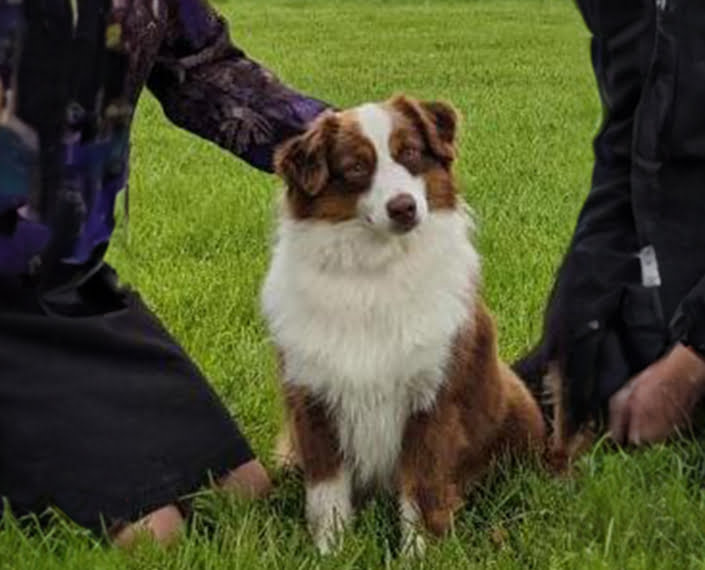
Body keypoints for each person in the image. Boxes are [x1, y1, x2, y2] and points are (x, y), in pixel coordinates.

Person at [0, 0, 327, 546]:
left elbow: (205, 71)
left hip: (70, 284)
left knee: (244, 490)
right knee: (156, 535)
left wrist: (349, 140)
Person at [515, 0, 705, 452]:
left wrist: (692, 362)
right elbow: (627, 155)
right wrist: (576, 323)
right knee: (502, 413)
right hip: (674, 277)